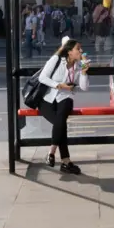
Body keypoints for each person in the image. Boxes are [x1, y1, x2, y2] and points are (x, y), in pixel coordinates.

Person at [38, 36, 90, 175]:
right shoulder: (56, 61)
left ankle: (51, 152)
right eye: (78, 48)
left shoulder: (79, 66)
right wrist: (59, 85)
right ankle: (66, 162)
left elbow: (84, 87)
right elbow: (42, 78)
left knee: (63, 115)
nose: (81, 51)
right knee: (60, 125)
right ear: (69, 52)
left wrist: (84, 73)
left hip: (64, 98)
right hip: (46, 100)